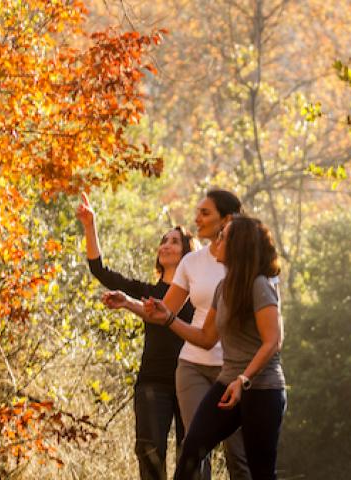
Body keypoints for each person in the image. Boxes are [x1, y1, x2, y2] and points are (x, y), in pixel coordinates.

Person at [104, 189, 251, 480]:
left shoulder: (248, 262)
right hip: (193, 365)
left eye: (205, 212)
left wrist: (250, 370)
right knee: (192, 452)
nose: (196, 218)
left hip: (234, 368)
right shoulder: (191, 264)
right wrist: (128, 303)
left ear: (228, 219)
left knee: (240, 460)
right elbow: (163, 313)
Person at [144, 215, 286, 480]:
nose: (216, 241)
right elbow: (206, 337)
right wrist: (169, 318)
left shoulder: (259, 285)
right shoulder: (224, 288)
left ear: (237, 245)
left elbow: (273, 341)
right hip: (227, 384)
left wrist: (244, 379)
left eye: (223, 237)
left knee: (259, 472)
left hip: (262, 389)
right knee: (192, 451)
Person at [75, 192, 195, 480]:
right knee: (150, 456)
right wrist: (90, 226)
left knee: (192, 460)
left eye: (174, 241)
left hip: (193, 382)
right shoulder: (148, 292)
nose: (166, 245)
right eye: (164, 240)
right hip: (153, 383)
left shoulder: (199, 293)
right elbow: (99, 269)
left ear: (189, 253)